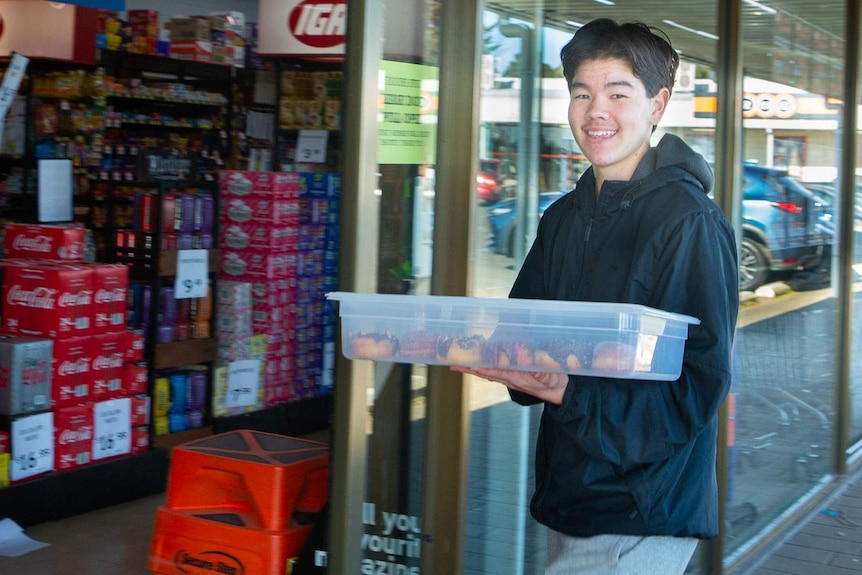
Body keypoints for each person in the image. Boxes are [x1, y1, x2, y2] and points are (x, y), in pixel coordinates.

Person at [454, 18, 739, 575]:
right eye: (582, 93)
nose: (595, 111)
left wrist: (566, 387)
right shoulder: (564, 216)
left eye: (617, 93)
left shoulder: (688, 221)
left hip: (640, 506)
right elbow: (522, 331)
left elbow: (696, 388)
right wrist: (493, 350)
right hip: (572, 497)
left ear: (657, 105)